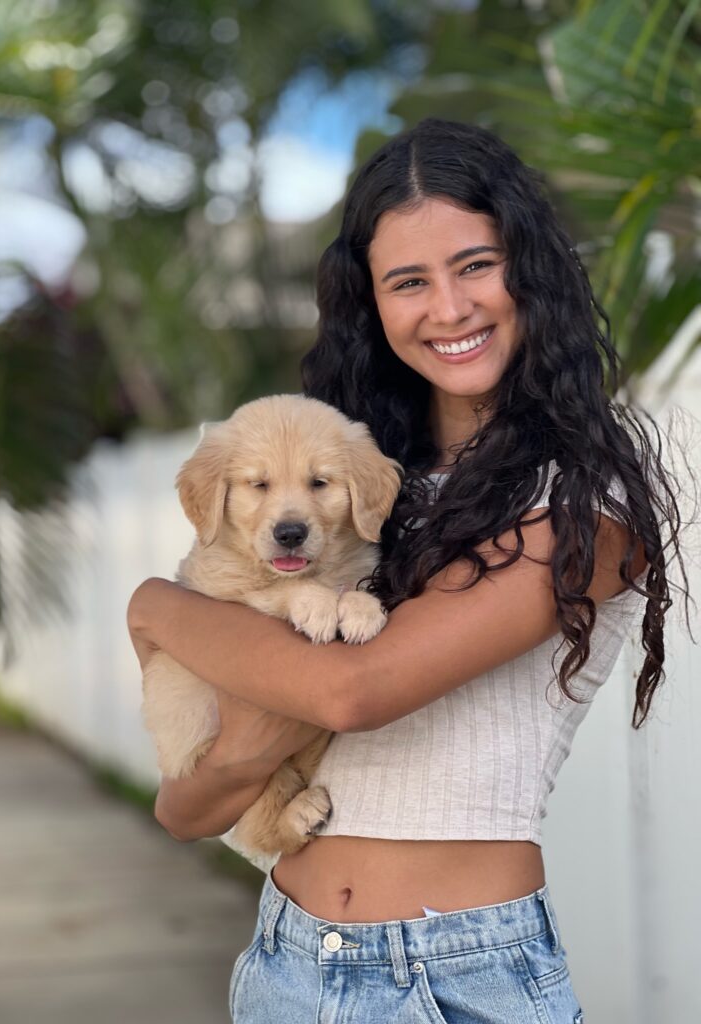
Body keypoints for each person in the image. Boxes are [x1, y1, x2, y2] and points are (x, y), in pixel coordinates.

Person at [127, 119, 685, 1023]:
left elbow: (356, 694)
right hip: (285, 960)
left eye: (475, 265)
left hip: (459, 974)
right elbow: (184, 813)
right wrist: (234, 747)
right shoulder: (360, 480)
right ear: (373, 305)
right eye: (408, 282)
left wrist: (155, 606)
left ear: (529, 269)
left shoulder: (587, 497)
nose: (450, 308)